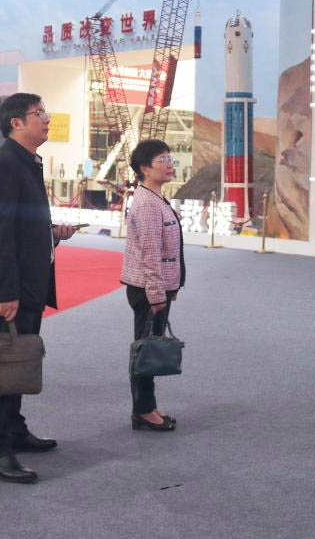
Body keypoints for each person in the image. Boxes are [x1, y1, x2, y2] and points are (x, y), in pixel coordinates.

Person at [0, 92, 76, 483]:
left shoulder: (26, 162)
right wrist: (5, 291)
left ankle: (13, 431)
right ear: (16, 122)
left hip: (28, 282)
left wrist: (52, 234)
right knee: (1, 368)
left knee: (18, 360)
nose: (47, 119)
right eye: (40, 113)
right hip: (11, 289)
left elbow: (20, 226)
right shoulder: (3, 165)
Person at [120, 139, 186, 431]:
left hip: (156, 288)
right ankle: (143, 411)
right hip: (148, 290)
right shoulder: (147, 203)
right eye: (162, 160)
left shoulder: (155, 197)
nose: (169, 164)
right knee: (145, 349)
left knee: (150, 346)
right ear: (145, 168)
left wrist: (172, 286)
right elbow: (150, 253)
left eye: (170, 159)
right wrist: (158, 294)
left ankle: (147, 406)